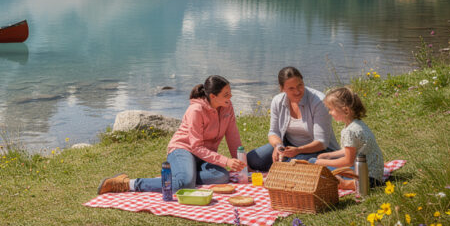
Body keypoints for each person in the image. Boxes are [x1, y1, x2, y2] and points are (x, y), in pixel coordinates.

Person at [97, 75, 246, 194]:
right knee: (185, 184)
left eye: (230, 93)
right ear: (213, 96)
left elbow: (233, 135)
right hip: (183, 150)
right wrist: (225, 161)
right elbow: (195, 147)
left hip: (204, 156)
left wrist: (242, 164)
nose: (230, 97)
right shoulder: (196, 111)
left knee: (222, 176)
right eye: (226, 94)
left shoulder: (227, 107)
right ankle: (126, 183)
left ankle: (181, 177)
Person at [245, 66, 339, 172]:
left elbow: (321, 142)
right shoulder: (277, 101)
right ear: (282, 88)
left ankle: (287, 167)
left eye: (300, 85)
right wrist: (278, 146)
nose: (297, 91)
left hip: (319, 150)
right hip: (289, 146)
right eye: (291, 88)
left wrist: (298, 150)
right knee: (252, 159)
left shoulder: (318, 102)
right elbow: (273, 132)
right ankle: (284, 166)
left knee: (290, 166)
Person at [313, 87, 385, 189]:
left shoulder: (350, 131)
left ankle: (347, 184)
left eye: (331, 109)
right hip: (374, 172)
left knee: (313, 163)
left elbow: (348, 161)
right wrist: (329, 155)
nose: (329, 112)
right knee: (318, 163)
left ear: (346, 110)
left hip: (366, 177)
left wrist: (323, 162)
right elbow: (350, 150)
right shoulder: (357, 124)